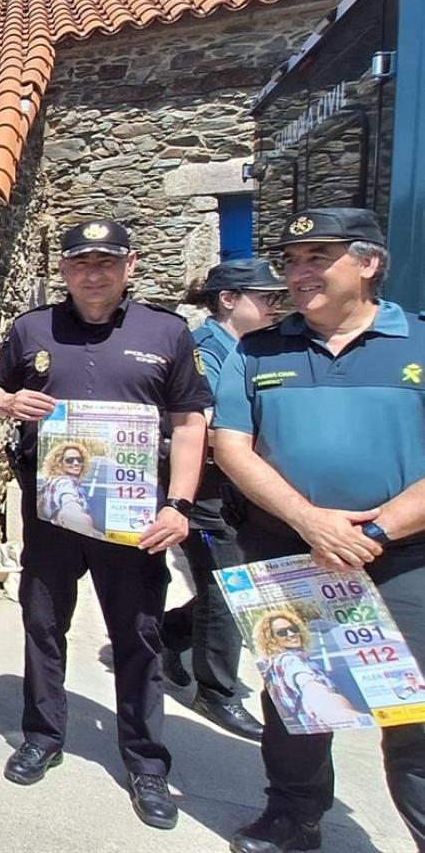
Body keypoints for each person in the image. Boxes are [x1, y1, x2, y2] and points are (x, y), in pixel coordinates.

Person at [0, 218, 209, 829]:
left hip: (134, 519)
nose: (93, 273)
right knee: (44, 625)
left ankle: (146, 763)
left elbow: (188, 423)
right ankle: (42, 736)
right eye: (81, 263)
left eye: (106, 262)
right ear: (66, 270)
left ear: (129, 265)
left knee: (138, 635)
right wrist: (7, 401)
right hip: (52, 513)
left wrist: (179, 505)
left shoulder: (167, 331)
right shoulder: (32, 328)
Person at [211, 208, 425, 853]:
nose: (299, 273)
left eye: (316, 257)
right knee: (295, 693)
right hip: (288, 546)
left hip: (403, 554)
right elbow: (232, 444)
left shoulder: (417, 342)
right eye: (291, 261)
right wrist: (309, 521)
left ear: (368, 263)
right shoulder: (259, 349)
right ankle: (292, 817)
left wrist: (377, 532)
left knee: (412, 704)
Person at [159, 259, 284, 742]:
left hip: (244, 485)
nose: (276, 306)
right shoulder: (205, 351)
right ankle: (217, 690)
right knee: (229, 583)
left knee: (238, 581)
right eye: (266, 297)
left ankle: (173, 633)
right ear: (229, 300)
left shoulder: (258, 350)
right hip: (208, 487)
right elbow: (202, 423)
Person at [251, 610, 364, 731]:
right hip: (312, 733)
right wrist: (343, 714)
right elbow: (309, 685)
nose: (291, 634)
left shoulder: (283, 660)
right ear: (271, 639)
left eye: (293, 629)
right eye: (282, 632)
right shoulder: (289, 660)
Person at [38, 441, 98, 537]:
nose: (76, 463)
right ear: (59, 463)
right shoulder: (64, 483)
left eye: (79, 460)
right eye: (70, 460)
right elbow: (69, 503)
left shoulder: (53, 480)